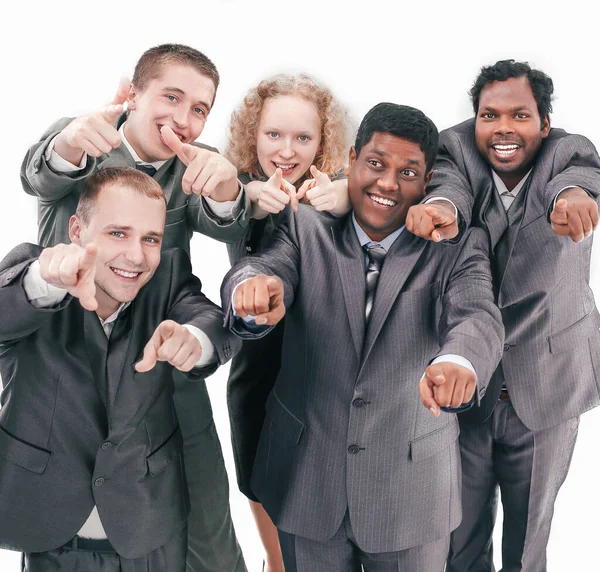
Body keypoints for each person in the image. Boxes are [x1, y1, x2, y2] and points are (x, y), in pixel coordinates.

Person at [221, 102, 505, 571]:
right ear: (351, 159)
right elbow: (263, 266)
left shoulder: (457, 244)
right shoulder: (304, 225)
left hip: (411, 496)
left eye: (408, 172)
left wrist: (462, 361)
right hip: (306, 482)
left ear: (428, 179)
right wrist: (252, 289)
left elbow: (477, 315)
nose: (388, 183)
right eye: (375, 164)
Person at [20, 44, 249, 571]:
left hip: (163, 357)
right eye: (172, 97)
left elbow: (231, 224)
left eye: (199, 109)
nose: (185, 120)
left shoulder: (195, 164)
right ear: (132, 95)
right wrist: (70, 143)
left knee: (209, 518)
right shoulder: (85, 138)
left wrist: (226, 186)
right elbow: (39, 175)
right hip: (73, 370)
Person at [408, 59, 600, 572]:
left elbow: (582, 175)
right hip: (468, 384)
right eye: (490, 116)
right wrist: (444, 209)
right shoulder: (455, 149)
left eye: (519, 115)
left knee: (527, 538)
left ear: (544, 120)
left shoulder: (567, 152)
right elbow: (450, 186)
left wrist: (574, 196)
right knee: (458, 535)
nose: (503, 130)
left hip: (546, 386)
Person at [0, 166, 239, 571]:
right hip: (51, 534)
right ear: (76, 230)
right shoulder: (33, 275)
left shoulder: (166, 278)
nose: (135, 255)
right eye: (118, 233)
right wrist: (44, 280)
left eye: (150, 239)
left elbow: (211, 322)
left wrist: (193, 341)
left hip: (151, 533)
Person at [224, 73, 352, 571]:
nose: (286, 150)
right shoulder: (234, 190)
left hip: (324, 366)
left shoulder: (339, 193)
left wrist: (344, 195)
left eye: (303, 137)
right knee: (255, 475)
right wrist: (250, 199)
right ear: (252, 135)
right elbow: (220, 200)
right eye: (273, 134)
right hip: (258, 364)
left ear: (323, 144)